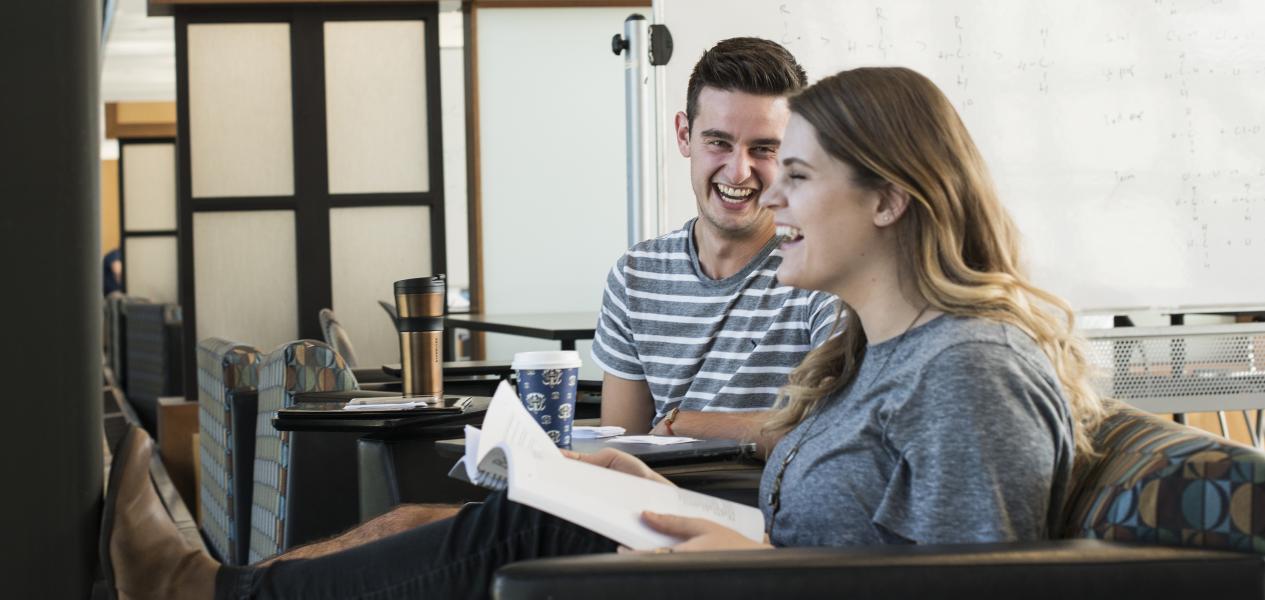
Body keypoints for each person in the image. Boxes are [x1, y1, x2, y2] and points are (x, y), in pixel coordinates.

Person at [102, 66, 1108, 599]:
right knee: (503, 525)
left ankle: (211, 598)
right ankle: (218, 594)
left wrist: (734, 557)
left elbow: (974, 587)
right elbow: (843, 539)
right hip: (754, 577)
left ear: (889, 201)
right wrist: (666, 500)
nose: (769, 195)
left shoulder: (969, 367)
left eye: (795, 174)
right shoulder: (882, 357)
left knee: (514, 534)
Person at [592, 38, 839, 451]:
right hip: (652, 504)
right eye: (719, 142)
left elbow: (837, 436)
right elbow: (622, 448)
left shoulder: (824, 269)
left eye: (763, 148)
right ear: (684, 135)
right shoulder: (636, 275)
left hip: (768, 508)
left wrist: (683, 423)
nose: (738, 171)